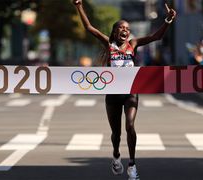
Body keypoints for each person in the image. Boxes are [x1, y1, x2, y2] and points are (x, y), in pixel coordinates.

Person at [73, 0, 176, 179]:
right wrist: (79, 6)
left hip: (130, 93)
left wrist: (167, 20)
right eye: (121, 28)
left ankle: (132, 165)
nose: (125, 30)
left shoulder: (133, 44)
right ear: (114, 32)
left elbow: (155, 37)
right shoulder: (109, 44)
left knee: (130, 126)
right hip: (113, 95)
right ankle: (116, 155)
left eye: (127, 28)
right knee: (116, 134)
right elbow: (89, 28)